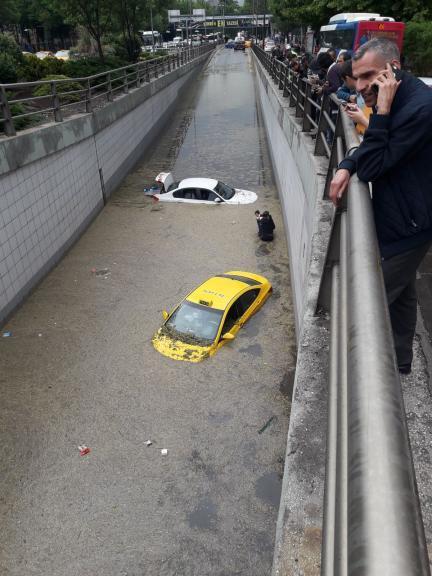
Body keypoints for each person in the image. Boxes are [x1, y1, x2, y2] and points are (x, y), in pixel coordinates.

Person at [329, 37, 432, 374]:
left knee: (365, 307)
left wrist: (382, 113)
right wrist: (347, 164)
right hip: (404, 220)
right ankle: (402, 363)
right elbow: (377, 147)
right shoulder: (403, 98)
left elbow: (375, 164)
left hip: (409, 228)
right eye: (356, 78)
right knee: (403, 298)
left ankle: (356, 379)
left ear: (393, 69)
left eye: (367, 76)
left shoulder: (419, 109)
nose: (359, 87)